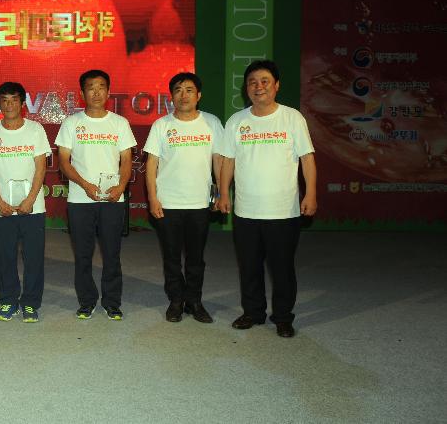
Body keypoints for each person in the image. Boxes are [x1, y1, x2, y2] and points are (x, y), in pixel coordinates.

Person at [217, 60, 317, 338]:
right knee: (248, 266)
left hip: (283, 210)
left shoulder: (292, 118)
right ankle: (253, 312)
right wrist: (223, 193)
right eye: (252, 82)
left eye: (264, 81)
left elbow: (307, 158)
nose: (258, 87)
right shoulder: (237, 121)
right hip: (246, 210)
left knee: (282, 268)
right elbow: (228, 161)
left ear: (276, 86)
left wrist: (311, 193)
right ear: (246, 88)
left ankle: (283, 317)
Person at [55, 69, 137, 320]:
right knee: (82, 254)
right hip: (81, 200)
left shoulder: (119, 123)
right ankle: (87, 301)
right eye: (91, 87)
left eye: (102, 87)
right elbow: (64, 162)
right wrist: (85, 184)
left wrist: (121, 187)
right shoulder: (72, 123)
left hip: (113, 199)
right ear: (83, 93)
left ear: (109, 92)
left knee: (112, 253)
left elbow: (126, 160)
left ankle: (112, 302)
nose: (97, 92)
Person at [144, 72, 223, 324]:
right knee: (171, 257)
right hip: (168, 203)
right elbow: (151, 164)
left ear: (198, 95)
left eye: (189, 90)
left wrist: (221, 193)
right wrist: (153, 199)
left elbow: (219, 159)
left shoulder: (211, 123)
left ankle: (195, 301)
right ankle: (176, 300)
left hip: (199, 202)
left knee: (196, 257)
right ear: (172, 96)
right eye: (178, 90)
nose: (183, 95)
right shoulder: (162, 125)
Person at [0, 82, 50, 323]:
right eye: (4, 100)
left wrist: (30, 200)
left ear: (23, 103)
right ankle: (8, 301)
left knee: (34, 257)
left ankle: (30, 303)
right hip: (2, 208)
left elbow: (41, 168)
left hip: (33, 207)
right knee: (5, 257)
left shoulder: (36, 130)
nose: (9, 105)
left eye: (14, 100)